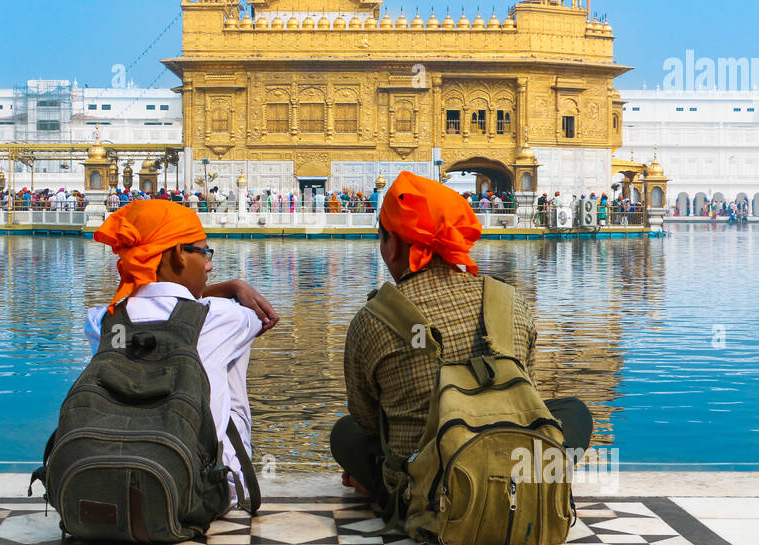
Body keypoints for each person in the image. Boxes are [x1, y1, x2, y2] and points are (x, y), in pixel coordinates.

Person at [331, 171, 593, 506]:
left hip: (428, 488)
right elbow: (529, 395)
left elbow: (367, 420)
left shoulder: (372, 319)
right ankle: (530, 484)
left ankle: (387, 490)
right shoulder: (509, 300)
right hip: (511, 460)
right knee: (574, 412)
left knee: (346, 434)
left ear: (393, 243)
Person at [85, 199, 279, 508]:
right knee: (233, 354)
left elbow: (143, 302)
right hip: (197, 494)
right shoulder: (224, 315)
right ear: (178, 254)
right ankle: (232, 473)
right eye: (204, 253)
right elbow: (259, 316)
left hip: (110, 489)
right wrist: (233, 286)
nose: (209, 265)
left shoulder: (100, 321)